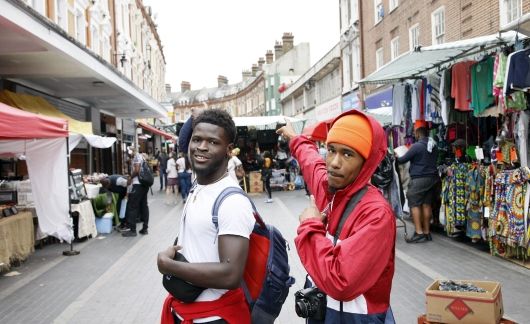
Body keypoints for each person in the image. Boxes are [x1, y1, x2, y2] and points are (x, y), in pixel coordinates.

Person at [277, 110, 396, 323]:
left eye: (348, 154)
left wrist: (310, 226)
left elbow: (341, 282)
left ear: (366, 162)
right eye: (331, 150)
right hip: (322, 313)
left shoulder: (376, 214)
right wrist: (296, 139)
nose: (333, 162)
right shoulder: (328, 188)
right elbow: (311, 161)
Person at [157, 108, 255, 324]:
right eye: (197, 139)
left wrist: (167, 265)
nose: (201, 147)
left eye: (212, 142)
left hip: (214, 318)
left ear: (228, 150)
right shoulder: (199, 184)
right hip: (186, 312)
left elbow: (230, 274)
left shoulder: (231, 202)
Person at [396, 120, 439, 243]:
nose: (414, 135)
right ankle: (426, 232)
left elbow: (403, 160)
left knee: (414, 204)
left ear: (418, 133)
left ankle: (419, 232)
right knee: (426, 204)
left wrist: (396, 156)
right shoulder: (433, 145)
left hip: (419, 179)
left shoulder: (417, 146)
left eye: (415, 133)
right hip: (433, 178)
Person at [121, 148, 150, 237]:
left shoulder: (137, 157)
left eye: (129, 152)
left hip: (138, 185)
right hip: (144, 185)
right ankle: (145, 228)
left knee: (132, 207)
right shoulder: (142, 157)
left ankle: (132, 230)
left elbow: (137, 170)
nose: (129, 155)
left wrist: (130, 177)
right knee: (144, 206)